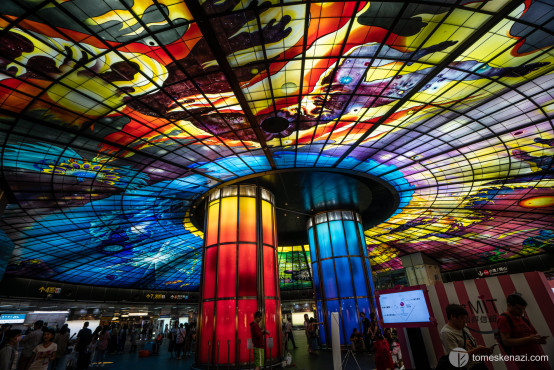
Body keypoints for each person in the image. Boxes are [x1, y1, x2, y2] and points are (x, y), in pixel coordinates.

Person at [497, 293, 549, 370]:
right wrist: (529, 339)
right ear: (509, 305)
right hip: (524, 359)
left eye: (523, 309)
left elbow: (532, 335)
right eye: (519, 309)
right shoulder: (503, 319)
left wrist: (539, 340)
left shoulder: (523, 319)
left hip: (537, 356)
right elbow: (506, 341)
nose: (522, 311)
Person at [439, 304, 492, 370]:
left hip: (478, 363)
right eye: (462, 318)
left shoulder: (463, 328)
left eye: (465, 318)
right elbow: (457, 357)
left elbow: (471, 346)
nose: (465, 321)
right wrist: (477, 350)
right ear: (452, 317)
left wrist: (482, 350)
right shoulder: (446, 332)